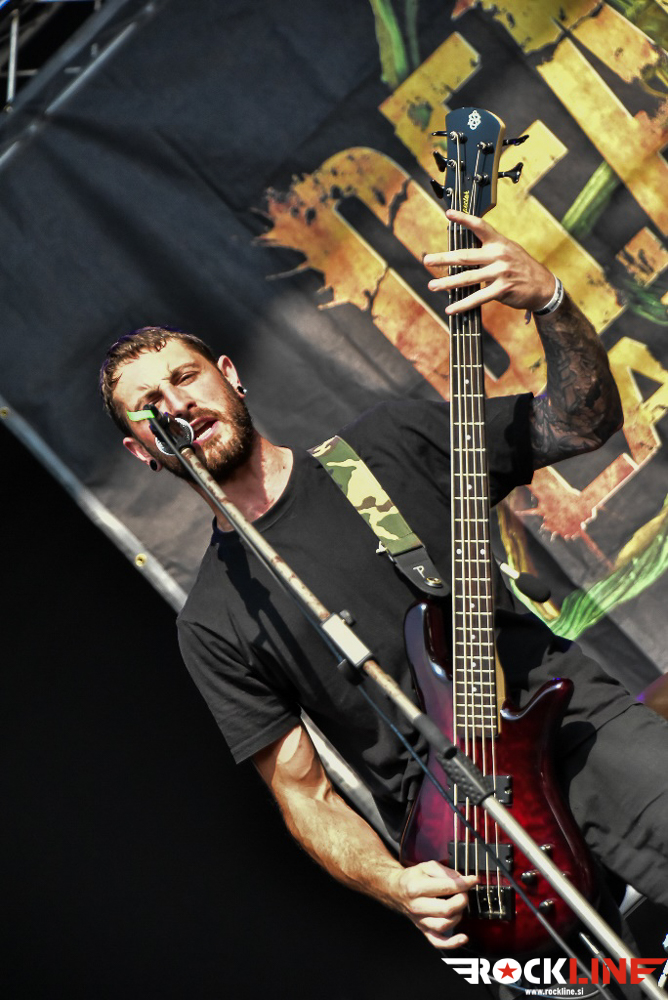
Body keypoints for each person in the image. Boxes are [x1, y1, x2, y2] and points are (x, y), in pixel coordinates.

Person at [99, 210, 668, 963]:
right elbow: (304, 794)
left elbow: (579, 424)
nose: (177, 405)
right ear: (141, 449)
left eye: (185, 377)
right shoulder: (214, 618)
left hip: (578, 732)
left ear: (229, 375)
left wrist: (550, 301)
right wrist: (395, 884)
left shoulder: (388, 444)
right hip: (470, 847)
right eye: (151, 406)